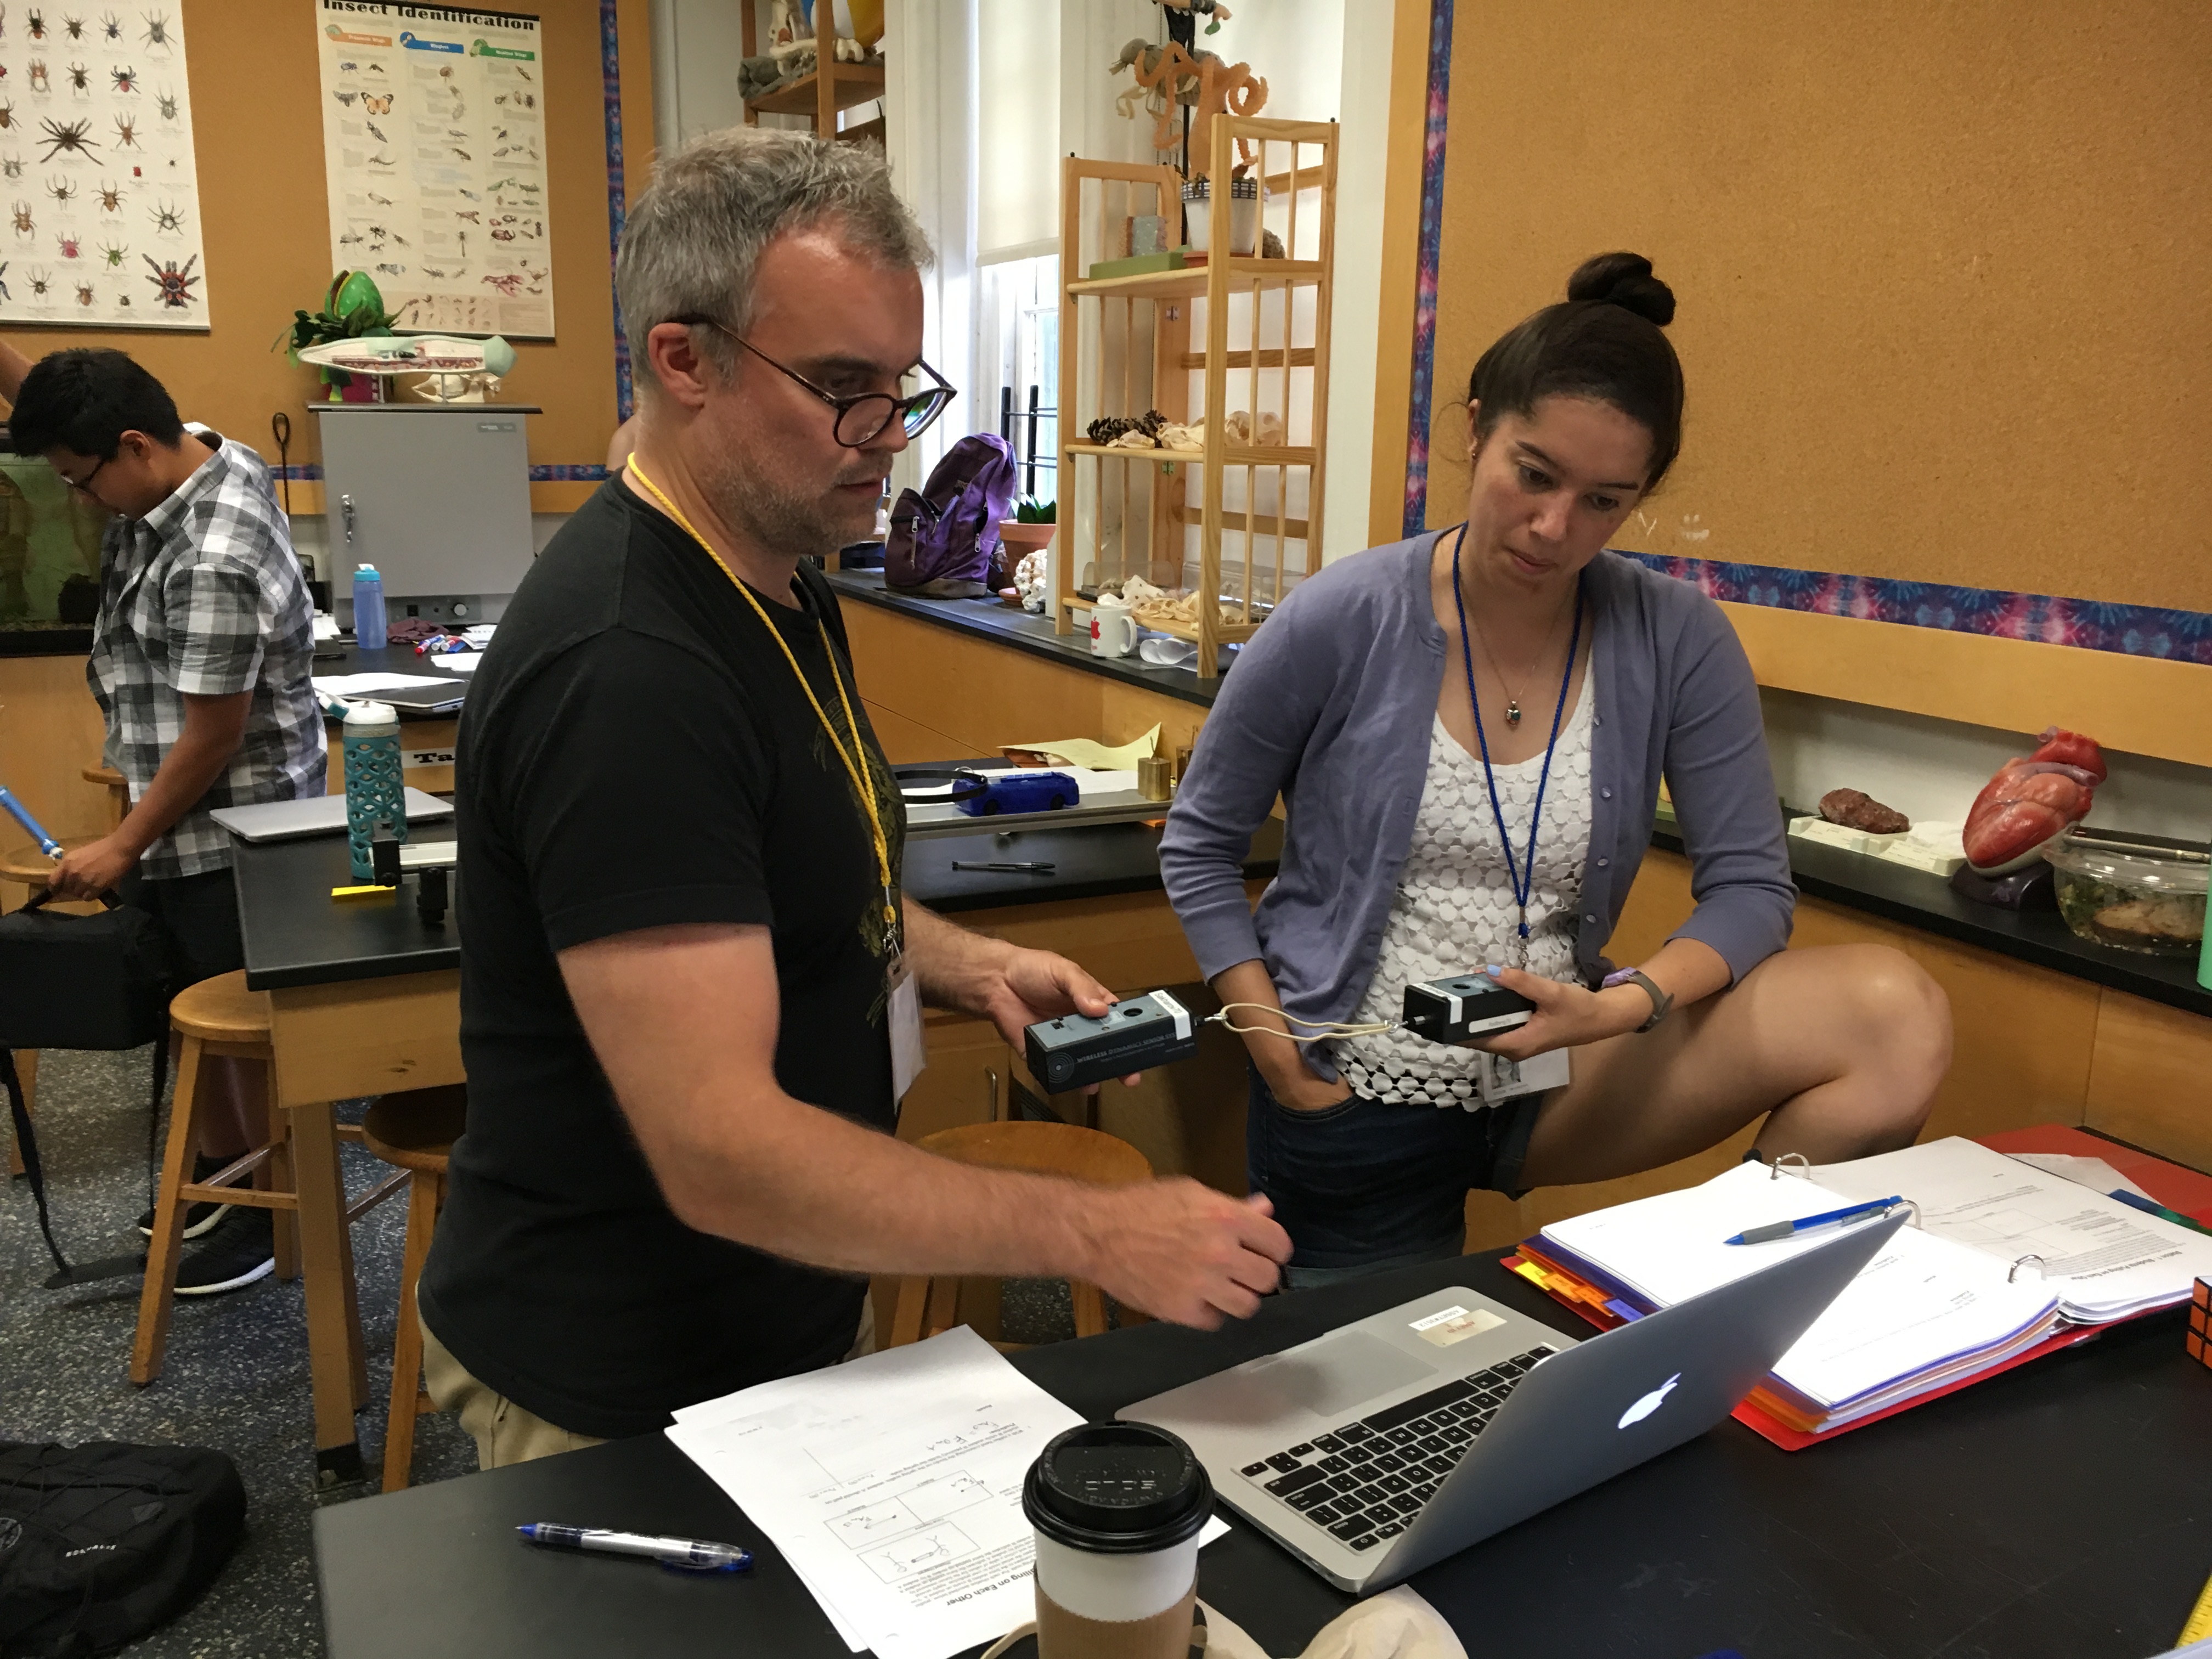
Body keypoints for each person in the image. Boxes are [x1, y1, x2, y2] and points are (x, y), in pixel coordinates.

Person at [414, 128, 1289, 1468]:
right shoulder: (628, 676)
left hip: (772, 1325)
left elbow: (778, 875)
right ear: (683, 360)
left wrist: (954, 956)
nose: (887, 439)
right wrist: (1091, 1232)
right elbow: (719, 1150)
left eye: (900, 387)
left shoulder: (774, 574)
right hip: (615, 1382)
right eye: (839, 387)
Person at [1160, 253, 1953, 1288]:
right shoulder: (1343, 615)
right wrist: (1279, 1056)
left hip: (1563, 1060)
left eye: (1603, 502)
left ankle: (1741, 1304)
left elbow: (1754, 890)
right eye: (1532, 475)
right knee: (1380, 1401)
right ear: (1476, 427)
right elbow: (1202, 845)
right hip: (1356, 1083)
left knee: (1896, 1016)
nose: (1553, 528)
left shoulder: (1675, 634)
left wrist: (1622, 1008)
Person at [3, 345, 325, 1294]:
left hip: (227, 833)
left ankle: (266, 1216)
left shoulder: (213, 554)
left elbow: (213, 734)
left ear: (134, 447)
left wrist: (119, 843)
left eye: (80, 478)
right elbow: (66, 405)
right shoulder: (195, 456)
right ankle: (229, 1179)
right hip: (179, 820)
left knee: (235, 1026)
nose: (79, 496)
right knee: (194, 1013)